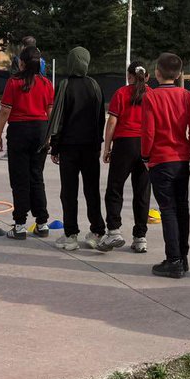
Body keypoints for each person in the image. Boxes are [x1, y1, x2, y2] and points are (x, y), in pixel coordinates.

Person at [141, 53, 190, 278]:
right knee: (182, 207)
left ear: (157, 72)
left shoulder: (151, 97)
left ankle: (173, 259)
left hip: (161, 159)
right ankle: (183, 257)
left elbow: (148, 131)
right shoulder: (186, 95)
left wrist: (145, 156)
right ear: (180, 73)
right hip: (181, 158)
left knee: (168, 209)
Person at [46, 46, 106, 252]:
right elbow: (100, 119)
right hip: (91, 147)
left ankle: (71, 234)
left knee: (69, 192)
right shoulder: (94, 85)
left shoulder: (64, 85)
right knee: (92, 190)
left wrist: (55, 147)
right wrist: (98, 143)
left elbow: (58, 119)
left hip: (69, 148)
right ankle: (97, 232)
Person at [0, 45, 54, 240]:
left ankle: (20, 225)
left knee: (20, 178)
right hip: (41, 130)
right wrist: (50, 134)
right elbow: (50, 111)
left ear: (22, 63)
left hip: (20, 131)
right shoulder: (46, 83)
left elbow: (5, 111)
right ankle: (42, 223)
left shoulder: (14, 82)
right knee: (37, 176)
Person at [101, 63, 152, 253]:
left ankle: (114, 230)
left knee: (115, 188)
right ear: (147, 77)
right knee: (142, 191)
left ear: (129, 76)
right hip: (146, 145)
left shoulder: (121, 93)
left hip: (124, 144)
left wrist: (107, 147)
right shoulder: (152, 94)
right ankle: (140, 236)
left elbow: (113, 121)